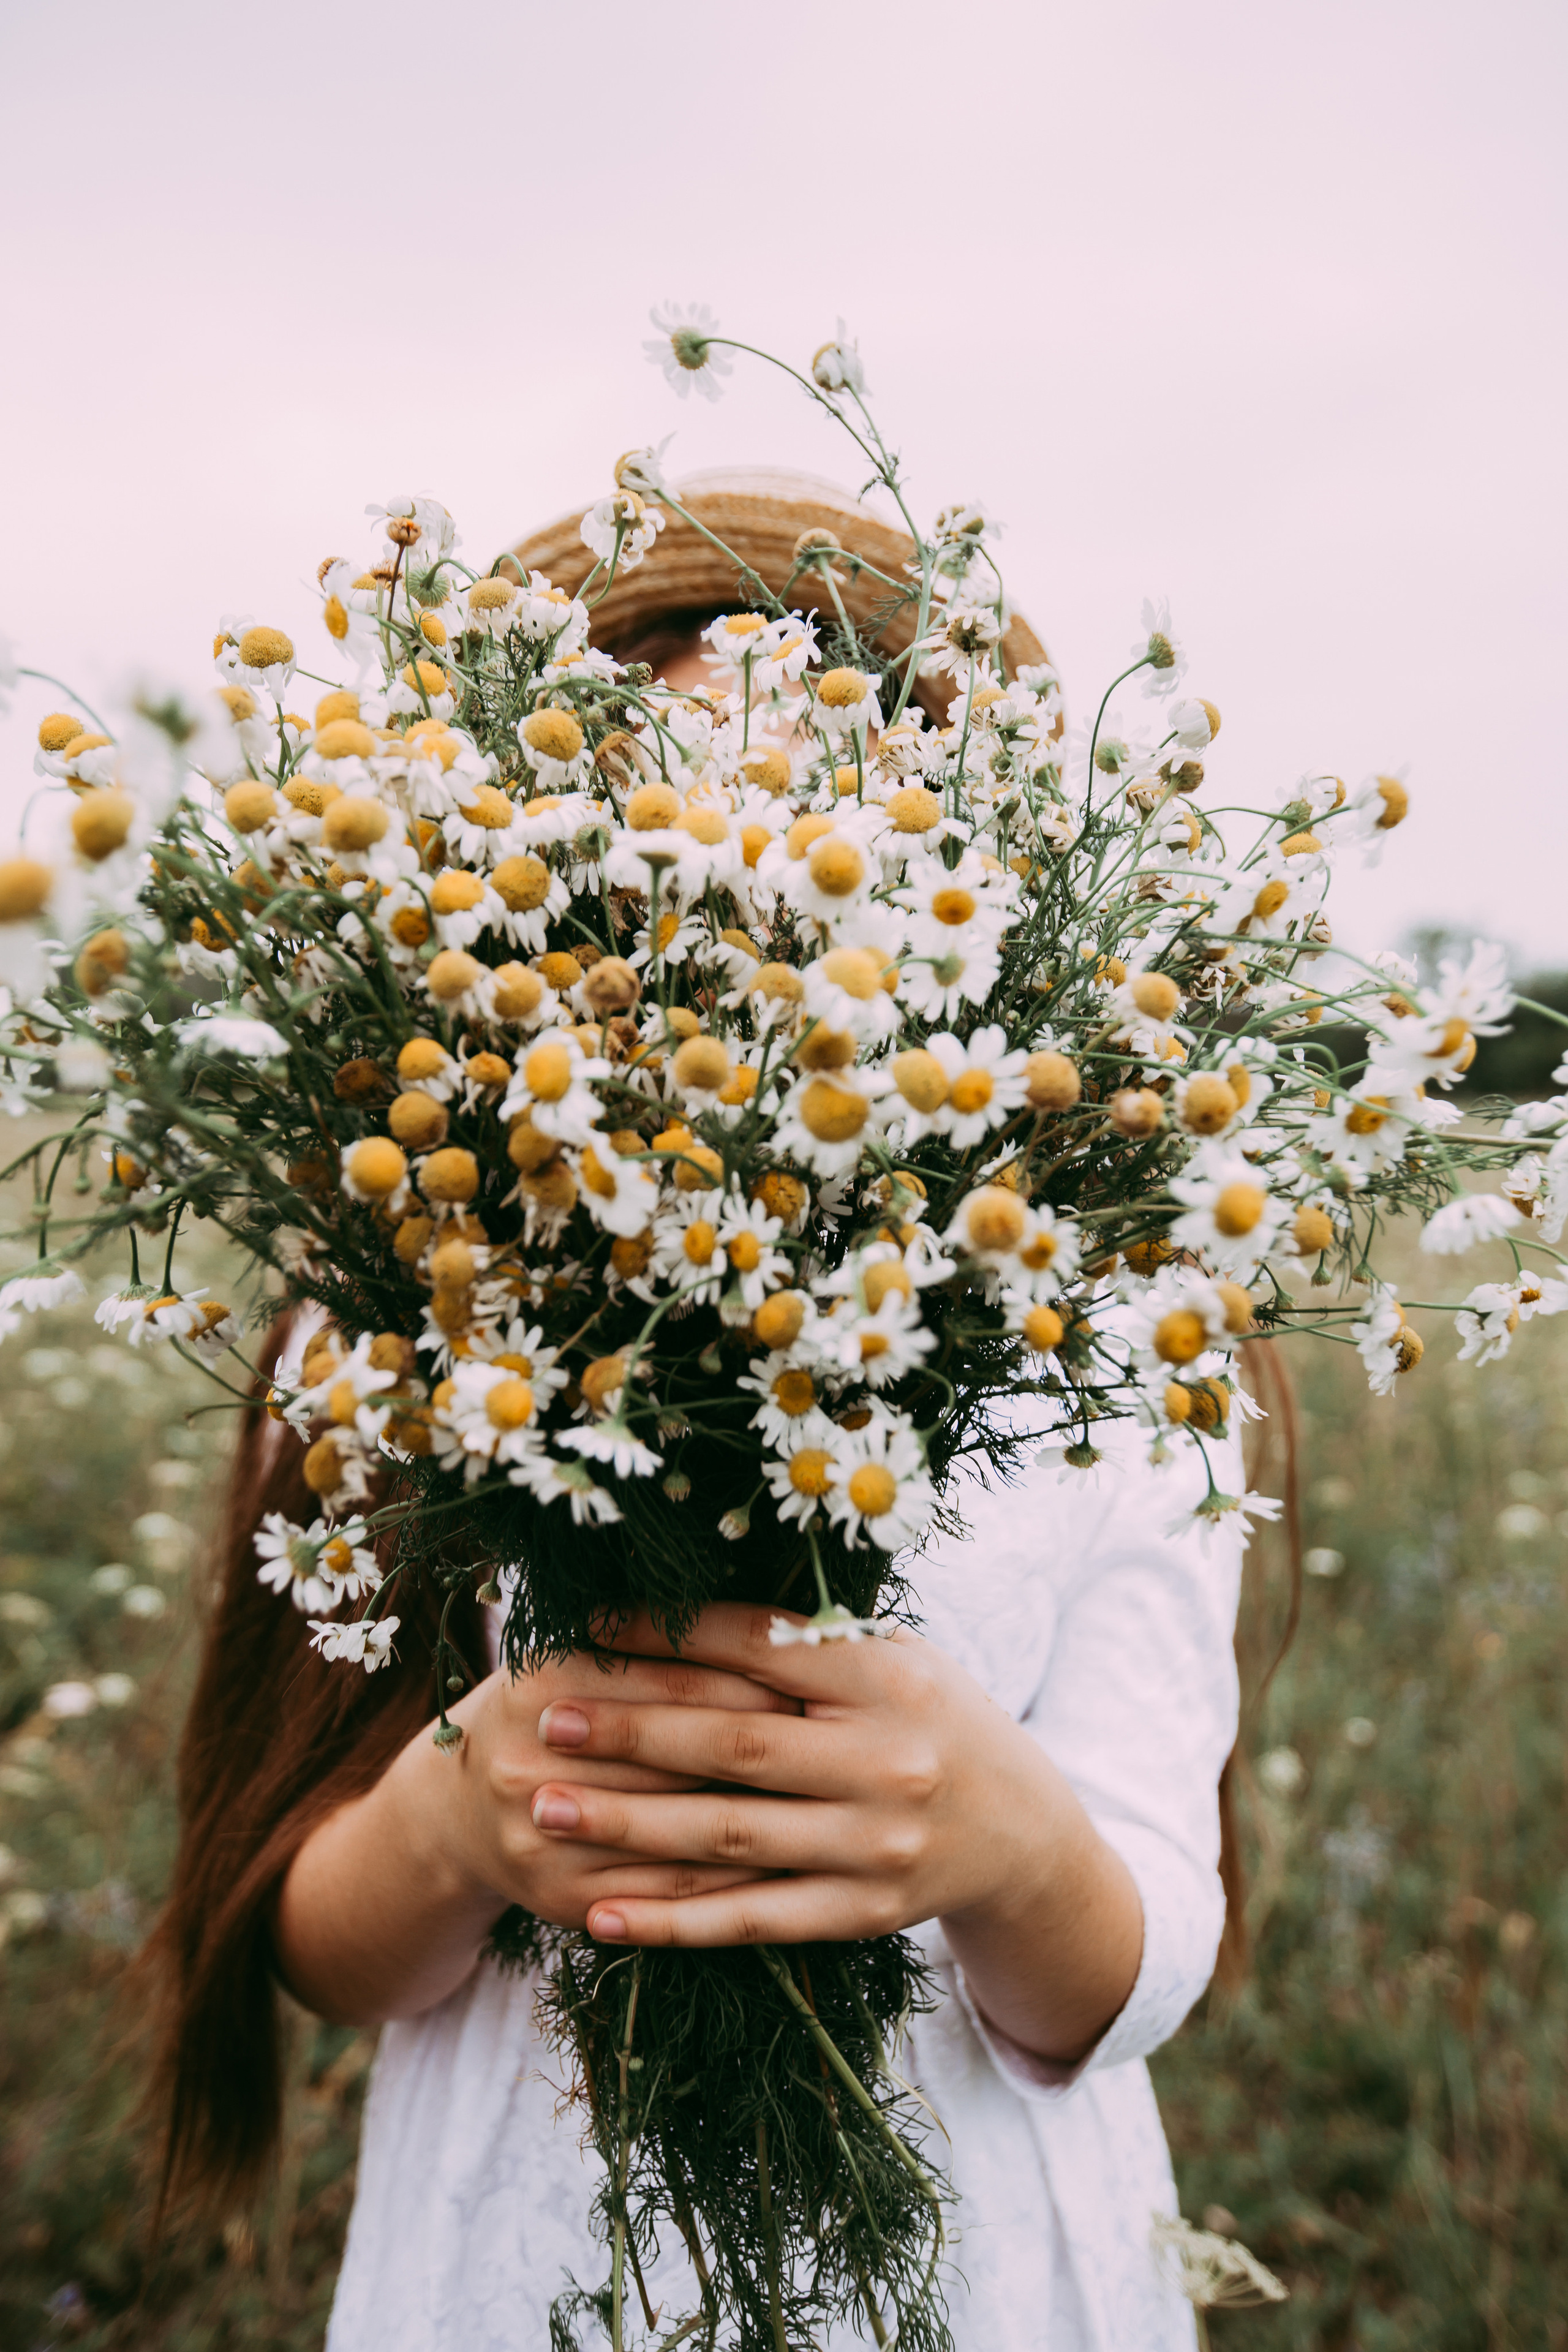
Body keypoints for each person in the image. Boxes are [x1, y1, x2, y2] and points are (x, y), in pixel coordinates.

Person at [149, 473, 1252, 2351]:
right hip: (514, 2249)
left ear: (968, 885)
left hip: (986, 2269)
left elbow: (1140, 1949)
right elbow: (309, 1933)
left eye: (826, 812)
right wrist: (459, 1824)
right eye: (648, 829)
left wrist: (1010, 1848)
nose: (734, 876)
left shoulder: (1122, 1320)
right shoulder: (404, 1292)